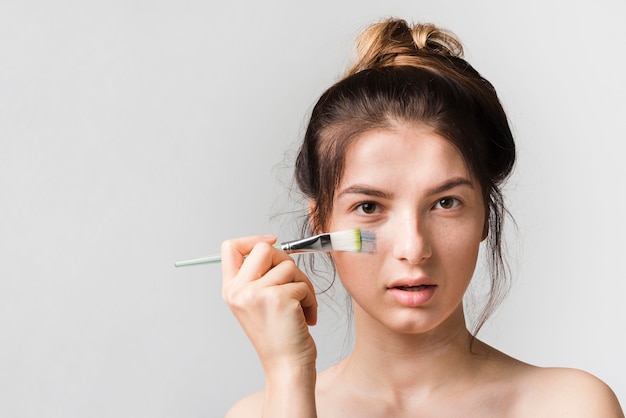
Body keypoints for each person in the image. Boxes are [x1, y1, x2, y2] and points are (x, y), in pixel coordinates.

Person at [220, 18, 624, 417]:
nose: (413, 248)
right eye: (369, 207)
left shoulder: (570, 406)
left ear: (485, 215)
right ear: (320, 226)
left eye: (446, 203)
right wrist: (289, 373)